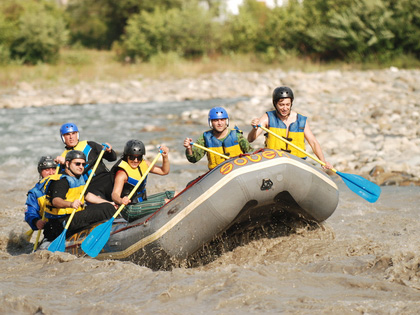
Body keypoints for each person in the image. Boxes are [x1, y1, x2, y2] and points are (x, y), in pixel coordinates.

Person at [248, 86, 333, 169]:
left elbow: (313, 142)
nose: (285, 108)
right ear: (275, 104)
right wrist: (254, 129)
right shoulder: (267, 117)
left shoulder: (301, 120)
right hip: (274, 161)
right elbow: (250, 139)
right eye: (281, 105)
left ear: (291, 103)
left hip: (296, 162)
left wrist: (323, 161)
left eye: (287, 104)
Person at [43, 150, 116, 241]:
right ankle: (114, 233)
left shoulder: (78, 177)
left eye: (83, 164)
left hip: (73, 216)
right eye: (77, 164)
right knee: (106, 209)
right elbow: (56, 201)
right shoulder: (61, 181)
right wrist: (70, 204)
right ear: (67, 163)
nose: (81, 167)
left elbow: (87, 196)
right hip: (61, 223)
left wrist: (110, 202)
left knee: (107, 206)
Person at [110, 140, 175, 222]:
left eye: (139, 157)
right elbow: (114, 194)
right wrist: (121, 200)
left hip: (141, 202)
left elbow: (164, 171)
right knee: (167, 203)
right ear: (126, 156)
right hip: (129, 209)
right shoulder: (122, 174)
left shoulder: (145, 164)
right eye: (132, 157)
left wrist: (165, 157)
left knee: (174, 194)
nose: (136, 160)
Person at [55, 122, 117, 200]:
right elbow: (68, 181)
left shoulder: (90, 145)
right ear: (63, 137)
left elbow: (112, 158)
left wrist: (109, 151)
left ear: (77, 135)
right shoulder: (63, 158)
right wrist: (64, 165)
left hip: (105, 178)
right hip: (90, 187)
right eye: (67, 134)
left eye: (73, 133)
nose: (71, 137)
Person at [183, 107, 253, 170]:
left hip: (237, 169)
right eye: (216, 120)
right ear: (211, 123)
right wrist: (189, 148)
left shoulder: (237, 136)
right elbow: (193, 159)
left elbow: (252, 153)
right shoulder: (205, 138)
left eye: (222, 120)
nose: (219, 123)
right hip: (218, 173)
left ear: (226, 121)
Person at [24, 156, 57, 231]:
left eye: (54, 169)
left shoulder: (66, 183)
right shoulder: (35, 192)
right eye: (47, 170)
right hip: (50, 227)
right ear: (40, 172)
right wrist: (36, 221)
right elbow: (30, 213)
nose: (51, 173)